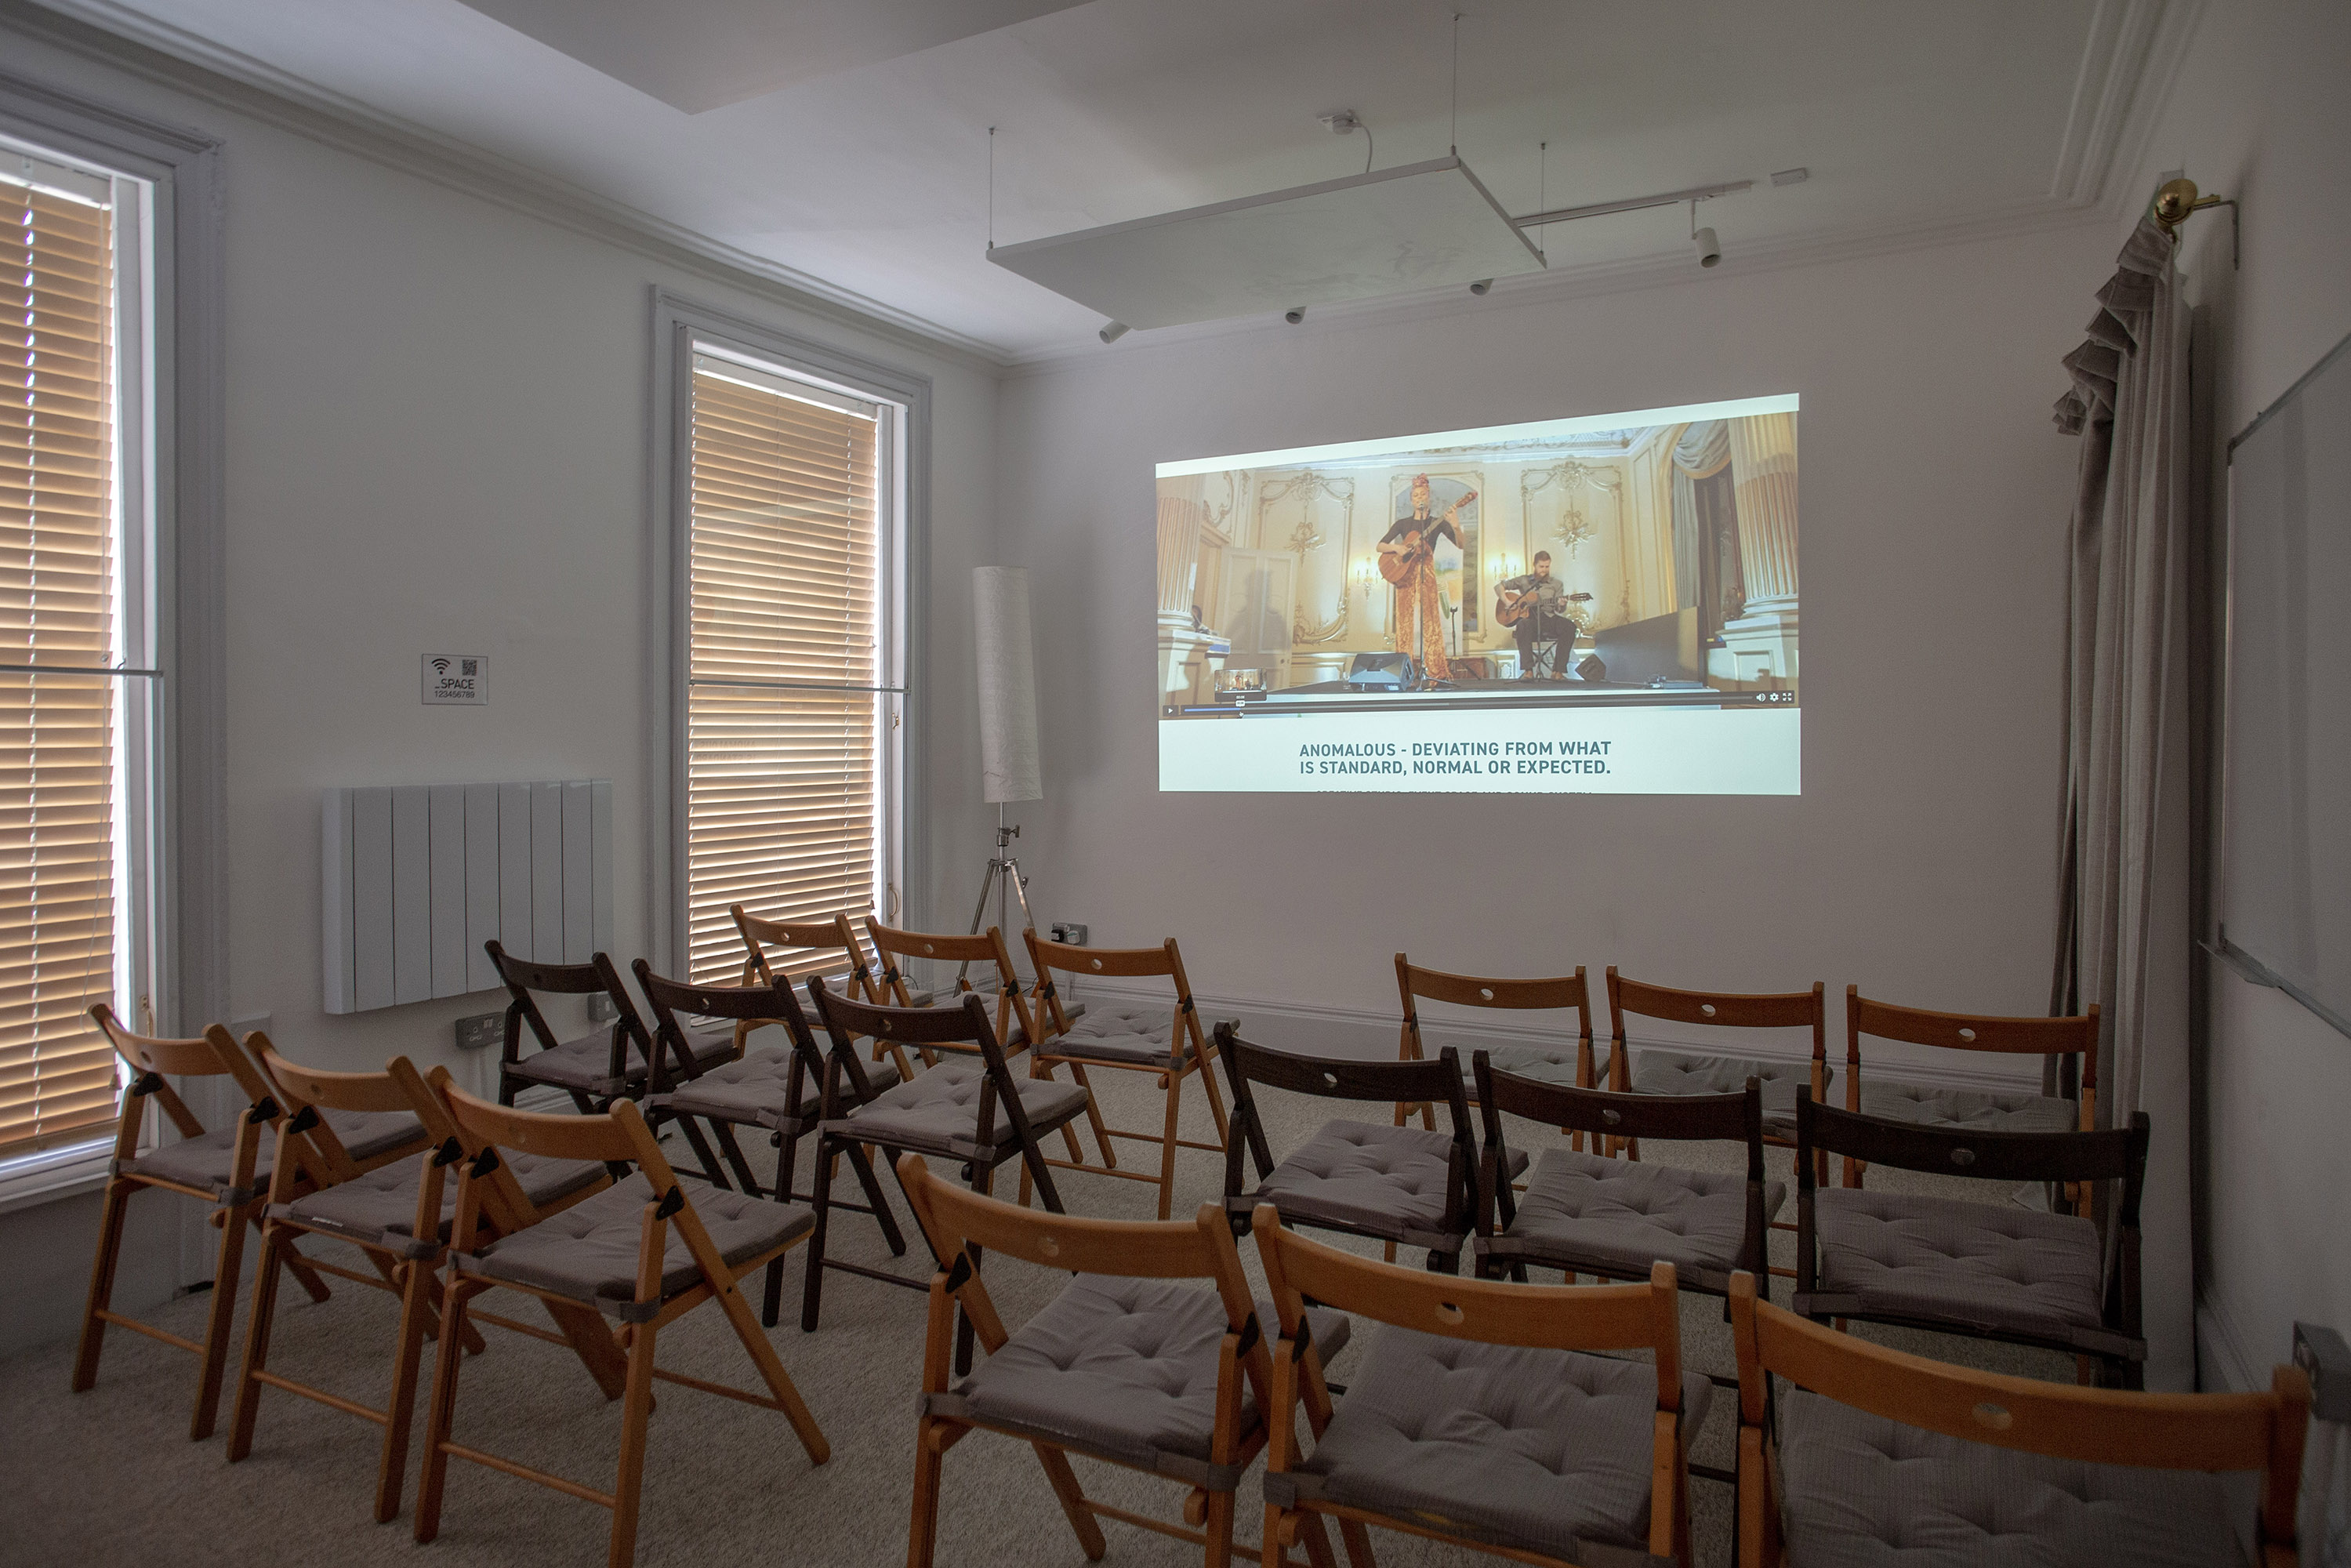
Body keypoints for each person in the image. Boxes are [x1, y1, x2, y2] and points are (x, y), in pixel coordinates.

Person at [1378, 474, 1474, 681]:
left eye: (1423, 494)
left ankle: (1435, 671)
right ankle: (1403, 672)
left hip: (1426, 571)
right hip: (1404, 573)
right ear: (1412, 500)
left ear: (1428, 497)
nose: (1420, 497)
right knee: (1403, 622)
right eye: (1416, 495)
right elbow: (1380, 546)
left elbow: (1461, 544)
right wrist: (1398, 547)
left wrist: (1455, 525)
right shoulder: (1402, 524)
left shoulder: (1436, 522)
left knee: (1431, 621)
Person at [1494, 551, 1591, 678]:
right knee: (1523, 625)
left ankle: (1558, 671)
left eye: (1547, 567)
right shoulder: (1524, 580)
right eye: (1541, 567)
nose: (1544, 570)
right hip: (1529, 619)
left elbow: (1559, 610)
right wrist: (1507, 601)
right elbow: (1499, 587)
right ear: (1535, 565)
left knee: (1569, 627)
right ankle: (1528, 671)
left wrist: (1562, 604)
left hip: (1549, 618)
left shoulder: (1556, 584)